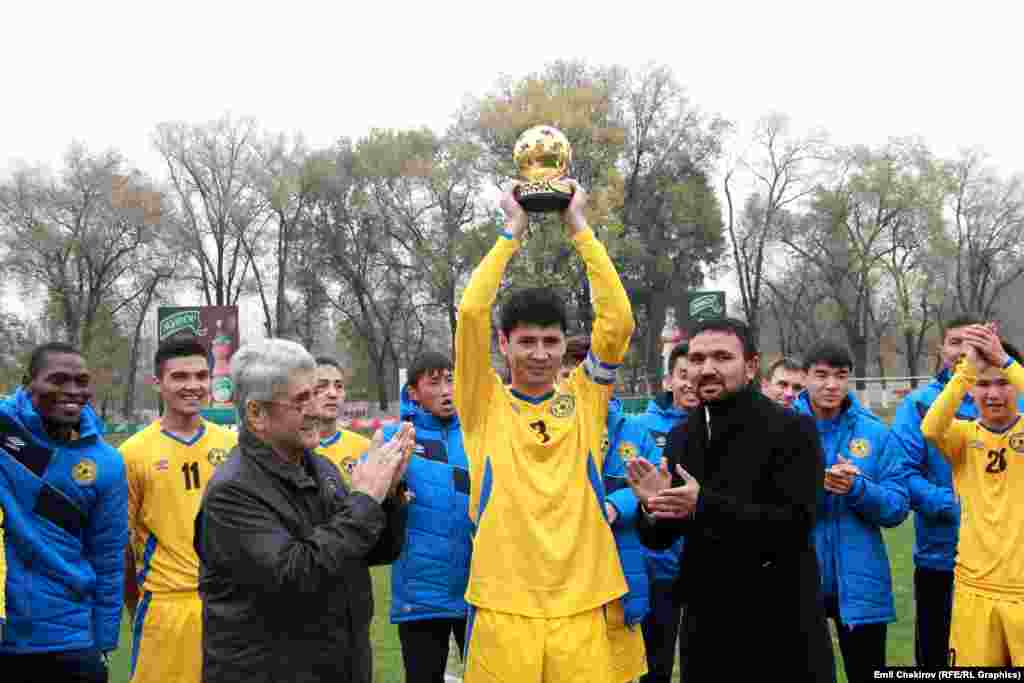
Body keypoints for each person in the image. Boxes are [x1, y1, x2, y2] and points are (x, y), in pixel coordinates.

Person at [455, 180, 635, 683]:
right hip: (502, 600)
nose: (539, 353)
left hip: (582, 597)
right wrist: (512, 229)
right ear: (503, 344)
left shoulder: (585, 395)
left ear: (564, 346)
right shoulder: (482, 399)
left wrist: (578, 225)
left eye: (550, 341)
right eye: (526, 341)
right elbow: (470, 312)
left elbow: (617, 320)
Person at [194, 338, 414, 683]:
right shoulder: (232, 493)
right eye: (301, 399)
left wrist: (386, 495)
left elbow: (370, 550)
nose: (316, 408)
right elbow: (298, 574)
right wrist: (365, 499)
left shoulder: (321, 468)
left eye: (316, 393)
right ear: (256, 413)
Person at [628, 318, 833, 683]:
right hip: (707, 628)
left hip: (781, 625)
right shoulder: (681, 437)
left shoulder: (792, 430)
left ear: (751, 366)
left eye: (722, 357)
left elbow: (795, 525)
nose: (707, 369)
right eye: (698, 358)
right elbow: (659, 539)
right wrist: (653, 506)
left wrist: (702, 505)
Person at [0, 342, 128, 682]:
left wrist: (103, 642)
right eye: (58, 380)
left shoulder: (107, 463)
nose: (72, 391)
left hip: (69, 638)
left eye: (81, 381)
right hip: (6, 632)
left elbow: (109, 557)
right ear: (29, 382)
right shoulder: (3, 430)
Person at [119, 337, 239, 683]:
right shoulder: (133, 453)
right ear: (158, 383)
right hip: (165, 607)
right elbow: (122, 548)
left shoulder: (233, 446)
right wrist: (136, 605)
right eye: (180, 377)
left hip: (229, 604)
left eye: (201, 376)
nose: (193, 386)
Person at [793, 341, 909, 683]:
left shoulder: (874, 432)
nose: (831, 385)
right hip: (798, 578)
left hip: (862, 581)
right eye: (822, 375)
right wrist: (814, 484)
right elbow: (761, 500)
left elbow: (897, 506)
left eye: (841, 376)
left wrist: (857, 489)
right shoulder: (780, 428)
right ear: (805, 377)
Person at [886, 314, 988, 668]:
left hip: (1005, 562)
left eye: (972, 343)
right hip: (941, 557)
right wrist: (958, 506)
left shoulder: (1008, 395)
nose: (963, 351)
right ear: (940, 348)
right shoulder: (918, 404)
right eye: (955, 342)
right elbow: (903, 473)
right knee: (936, 660)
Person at [920, 326, 1024, 666]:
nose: (993, 393)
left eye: (1001, 382)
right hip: (974, 589)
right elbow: (931, 427)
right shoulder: (963, 436)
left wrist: (1004, 360)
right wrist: (968, 369)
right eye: (984, 384)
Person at [379, 351, 472, 683]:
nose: (447, 389)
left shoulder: (479, 435)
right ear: (414, 393)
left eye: (451, 380)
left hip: (477, 590)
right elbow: (369, 499)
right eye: (434, 382)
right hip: (420, 592)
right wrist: (392, 488)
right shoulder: (395, 438)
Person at [560, 335, 648, 683]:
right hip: (564, 572)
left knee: (620, 669)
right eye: (571, 374)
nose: (582, 385)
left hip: (620, 567)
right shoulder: (545, 430)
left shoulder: (635, 430)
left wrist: (615, 505)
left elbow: (654, 483)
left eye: (593, 375)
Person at [625, 342, 697, 683]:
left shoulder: (717, 427)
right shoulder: (640, 425)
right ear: (669, 380)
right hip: (656, 566)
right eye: (682, 375)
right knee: (655, 662)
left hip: (705, 564)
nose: (690, 383)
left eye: (695, 375)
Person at [314, 356, 371, 484]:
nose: (333, 393)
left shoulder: (365, 448)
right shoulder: (293, 450)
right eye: (322, 385)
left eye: (339, 386)